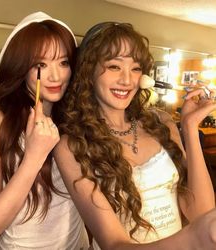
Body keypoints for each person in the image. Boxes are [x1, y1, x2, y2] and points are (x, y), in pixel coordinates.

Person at [54, 22, 216, 249]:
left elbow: (201, 210)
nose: (127, 80)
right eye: (114, 67)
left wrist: (189, 127)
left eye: (136, 68)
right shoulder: (72, 146)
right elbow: (114, 244)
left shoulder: (161, 123)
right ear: (88, 72)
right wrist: (193, 238)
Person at [0, 12, 89, 249]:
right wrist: (33, 158)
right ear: (21, 67)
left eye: (64, 62)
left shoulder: (74, 122)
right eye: (40, 64)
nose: (56, 75)